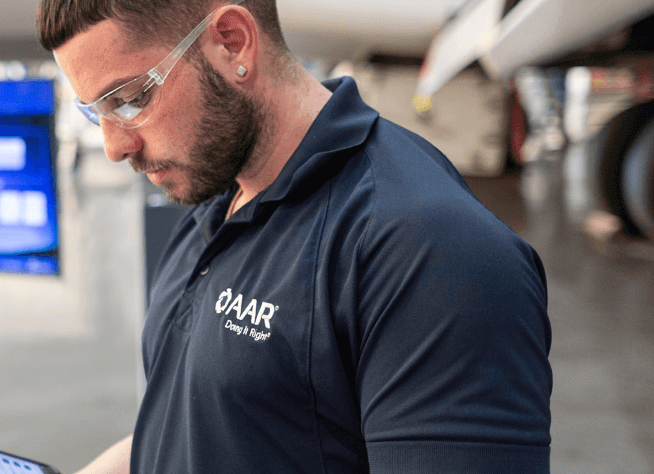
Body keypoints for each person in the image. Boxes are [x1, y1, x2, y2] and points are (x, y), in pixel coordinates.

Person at [37, 0, 553, 472]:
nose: (113, 147)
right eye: (95, 112)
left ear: (232, 42)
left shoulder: (428, 251)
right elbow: (198, 426)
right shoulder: (215, 197)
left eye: (129, 99)